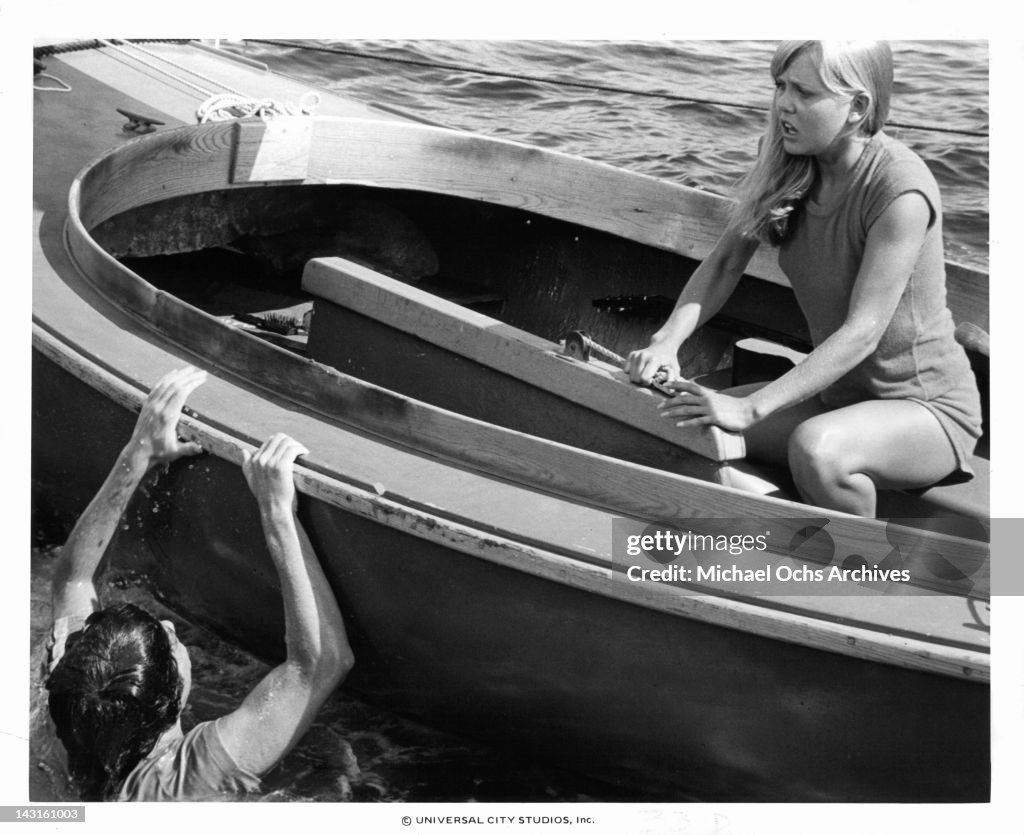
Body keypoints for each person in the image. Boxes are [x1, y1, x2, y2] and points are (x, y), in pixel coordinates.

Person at [625, 40, 981, 517]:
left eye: (805, 94)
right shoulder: (783, 154)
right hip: (835, 395)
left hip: (926, 409)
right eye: (780, 86)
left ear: (857, 107)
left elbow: (864, 331)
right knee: (685, 424)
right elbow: (726, 262)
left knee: (817, 449)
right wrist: (666, 342)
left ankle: (869, 579)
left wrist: (751, 408)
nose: (784, 104)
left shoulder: (899, 187)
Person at [44, 366, 354, 801]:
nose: (170, 629)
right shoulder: (187, 783)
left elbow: (73, 580)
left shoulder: (75, 695)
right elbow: (321, 664)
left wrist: (139, 452)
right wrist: (278, 513)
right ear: (173, 699)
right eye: (171, 646)